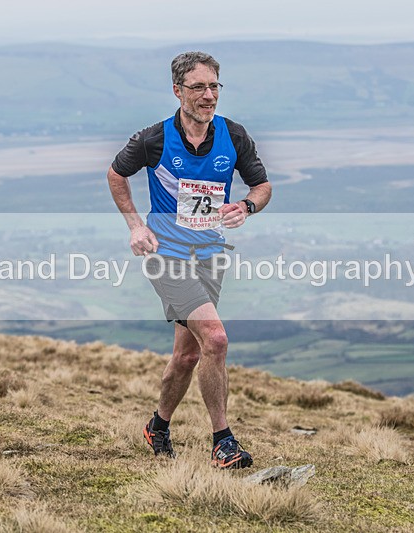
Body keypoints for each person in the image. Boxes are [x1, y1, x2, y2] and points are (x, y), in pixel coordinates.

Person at [107, 51, 272, 469]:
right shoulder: (154, 139)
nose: (208, 95)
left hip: (210, 256)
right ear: (177, 91)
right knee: (215, 339)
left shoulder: (233, 136)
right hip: (166, 255)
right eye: (198, 87)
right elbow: (116, 174)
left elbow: (262, 186)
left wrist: (247, 207)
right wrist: (135, 226)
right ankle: (223, 442)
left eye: (214, 86)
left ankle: (157, 426)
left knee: (188, 356)